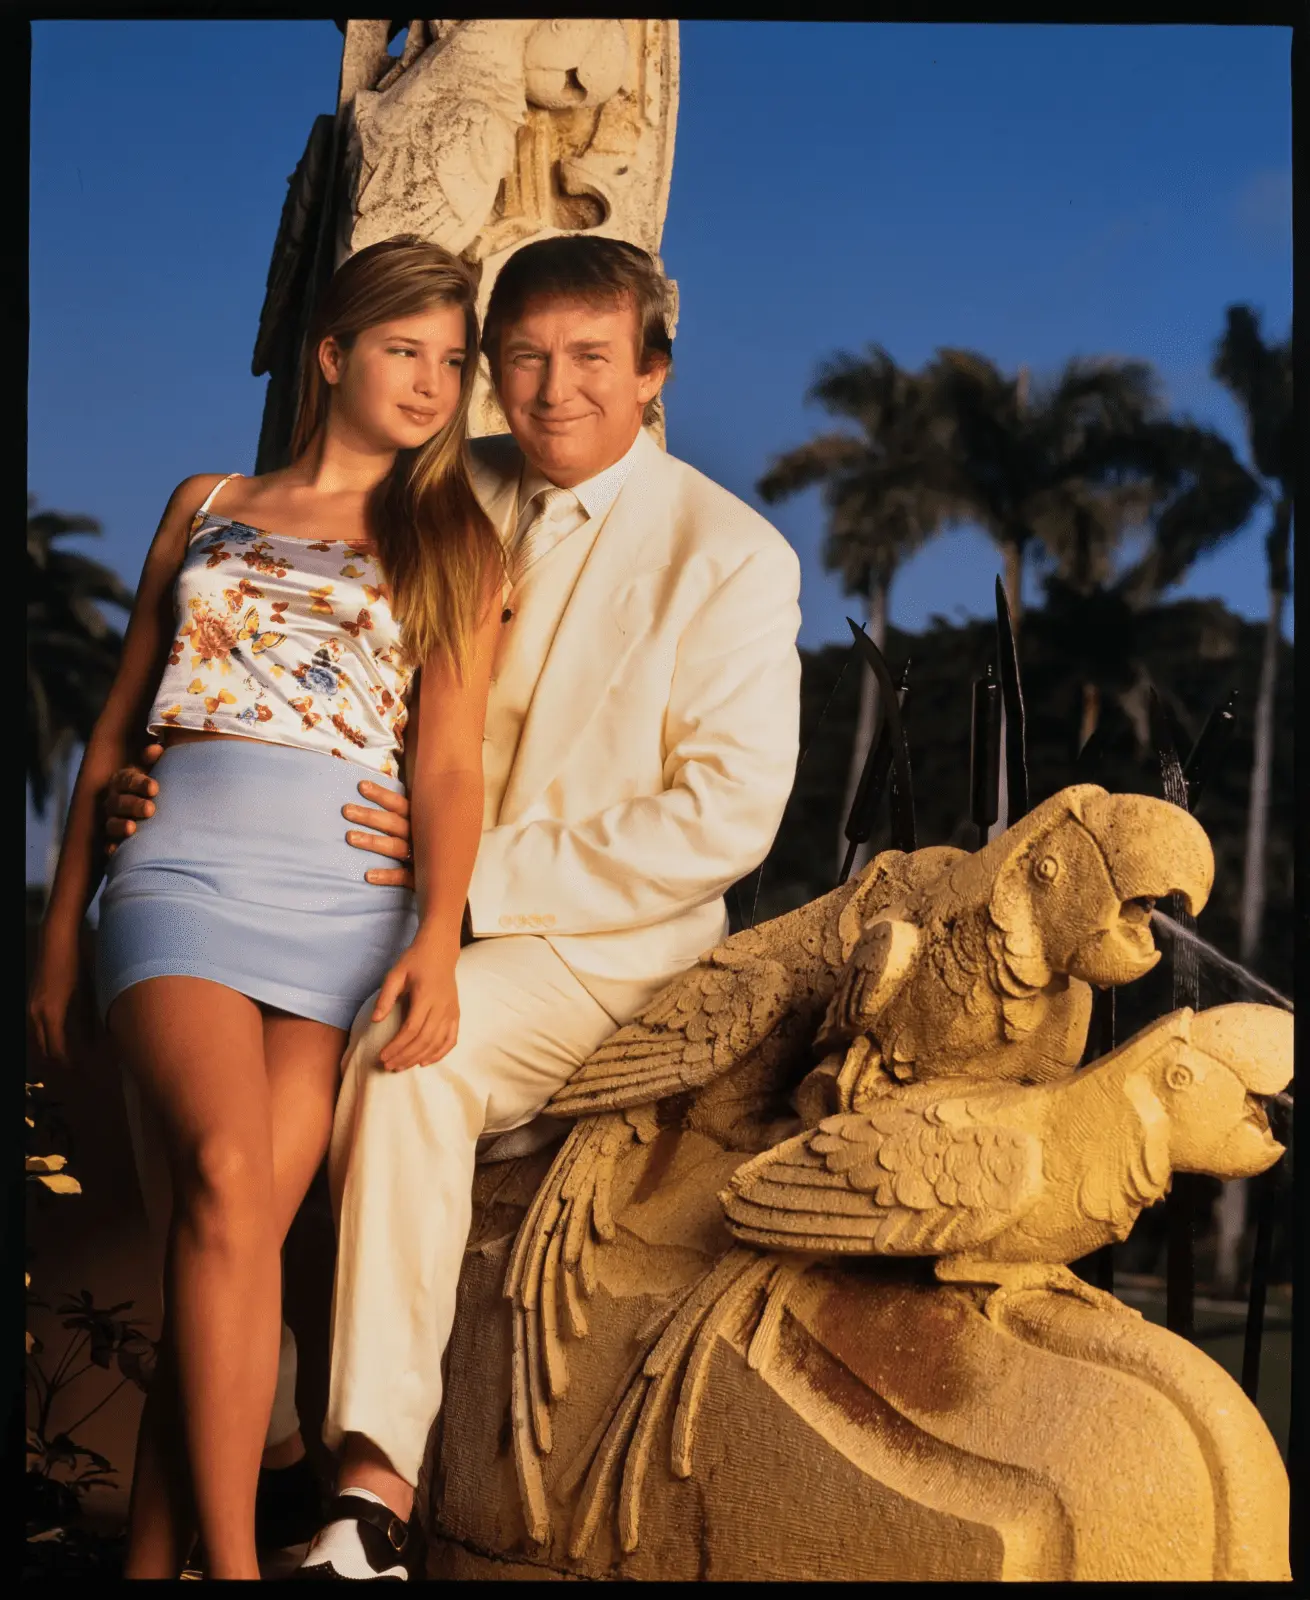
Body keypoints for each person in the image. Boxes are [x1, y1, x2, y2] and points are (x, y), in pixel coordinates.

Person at [101, 234, 804, 1582]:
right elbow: (264, 645)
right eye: (522, 359)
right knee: (216, 1137)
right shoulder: (437, 484)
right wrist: (164, 772)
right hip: (339, 896)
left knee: (409, 1058)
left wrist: (462, 878)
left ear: (652, 373)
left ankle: (367, 1492)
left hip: (591, 942)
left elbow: (719, 822)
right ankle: (250, 1432)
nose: (552, 389)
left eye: (590, 358)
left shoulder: (729, 554)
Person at [29, 235, 507, 1580]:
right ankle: (235, 1569)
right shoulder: (209, 501)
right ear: (334, 354)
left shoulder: (454, 539)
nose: (431, 383)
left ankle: (154, 1566)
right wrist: (60, 939)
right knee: (229, 1182)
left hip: (348, 912)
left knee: (227, 1235)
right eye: (404, 350)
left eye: (452, 361)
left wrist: (434, 938)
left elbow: (449, 764)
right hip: (176, 874)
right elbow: (114, 733)